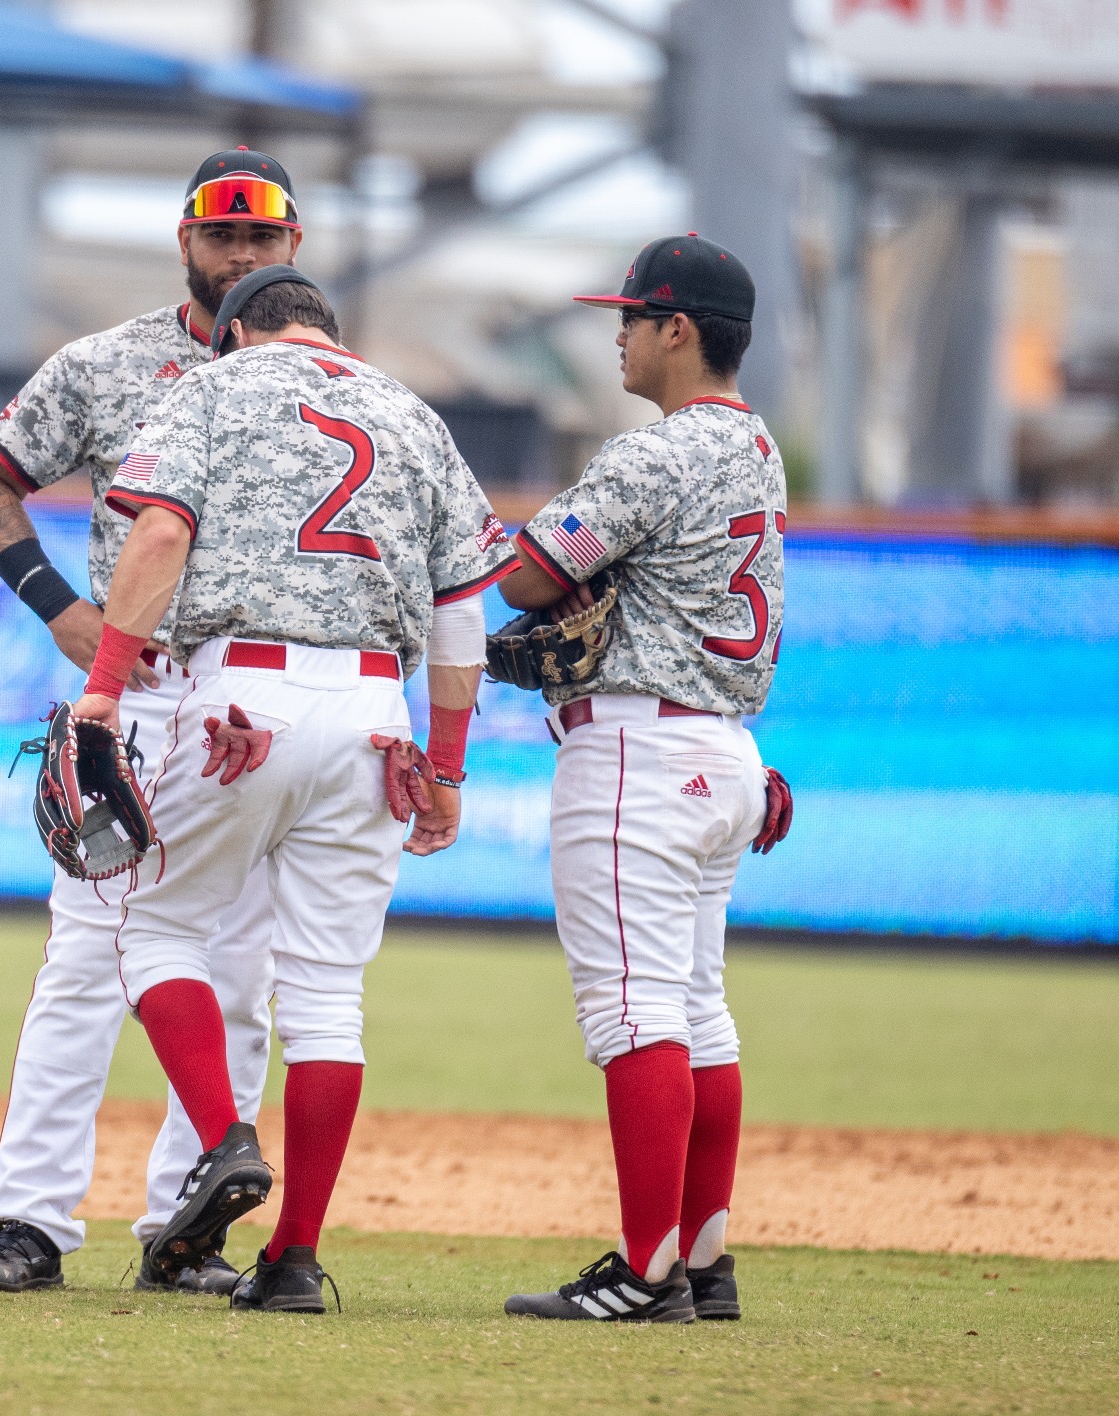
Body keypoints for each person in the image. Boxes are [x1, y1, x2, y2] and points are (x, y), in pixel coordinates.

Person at [72, 266, 516, 1313]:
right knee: (325, 992)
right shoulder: (411, 414)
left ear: (234, 334)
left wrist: (100, 690)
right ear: (326, 330)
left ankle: (224, 1140)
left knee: (153, 928)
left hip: (239, 700)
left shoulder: (212, 387)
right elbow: (460, 616)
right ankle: (296, 1260)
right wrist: (445, 767)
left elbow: (161, 533)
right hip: (372, 718)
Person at [0, 148, 302, 1296]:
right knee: (85, 965)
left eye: (261, 238)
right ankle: (30, 1226)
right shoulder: (106, 366)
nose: (240, 255)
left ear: (292, 246)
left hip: (260, 704)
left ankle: (183, 1230)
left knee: (238, 977)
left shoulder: (331, 383)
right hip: (137, 696)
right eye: (221, 235)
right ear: (183, 240)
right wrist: (60, 612)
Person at [495, 233, 792, 1323]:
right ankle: (701, 1263)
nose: (615, 332)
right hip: (718, 749)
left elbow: (529, 576)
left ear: (677, 329)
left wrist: (499, 550)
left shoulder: (655, 453)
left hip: (638, 751)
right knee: (696, 1013)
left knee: (632, 1012)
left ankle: (644, 1270)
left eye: (630, 315)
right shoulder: (753, 445)